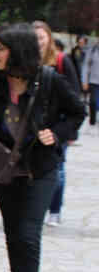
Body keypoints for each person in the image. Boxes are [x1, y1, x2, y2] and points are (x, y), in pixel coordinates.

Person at [0, 23, 85, 272]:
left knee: (28, 235)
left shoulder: (49, 80)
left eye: (0, 48)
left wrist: (58, 134)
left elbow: (77, 112)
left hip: (40, 169)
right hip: (4, 168)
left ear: (17, 51)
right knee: (13, 234)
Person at [35, 21, 82, 226]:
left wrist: (70, 132)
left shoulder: (61, 60)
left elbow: (75, 98)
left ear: (49, 38)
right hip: (35, 126)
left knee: (58, 169)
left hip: (58, 125)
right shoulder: (24, 61)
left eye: (41, 37)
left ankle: (54, 209)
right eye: (34, 38)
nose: (38, 42)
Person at [82, 36, 99, 130]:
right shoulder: (92, 50)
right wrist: (84, 81)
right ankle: (92, 122)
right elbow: (85, 66)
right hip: (93, 81)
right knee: (93, 102)